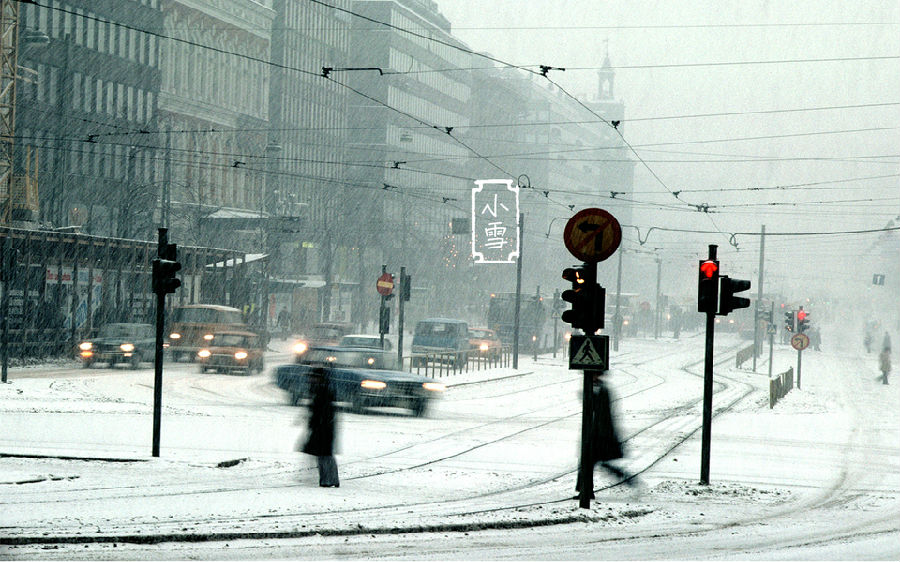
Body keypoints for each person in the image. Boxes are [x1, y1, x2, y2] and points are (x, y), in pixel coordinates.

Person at [576, 370, 634, 498]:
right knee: (589, 462)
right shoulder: (597, 387)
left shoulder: (602, 389)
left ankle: (625, 478)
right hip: (595, 432)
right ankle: (586, 491)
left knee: (590, 462)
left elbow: (601, 410)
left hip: (600, 434)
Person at [302, 366, 339, 487]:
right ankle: (329, 479)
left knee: (324, 454)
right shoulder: (320, 389)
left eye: (313, 378)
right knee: (324, 453)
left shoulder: (322, 391)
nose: (311, 380)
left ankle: (328, 479)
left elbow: (321, 410)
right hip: (323, 427)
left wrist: (317, 423)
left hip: (323, 427)